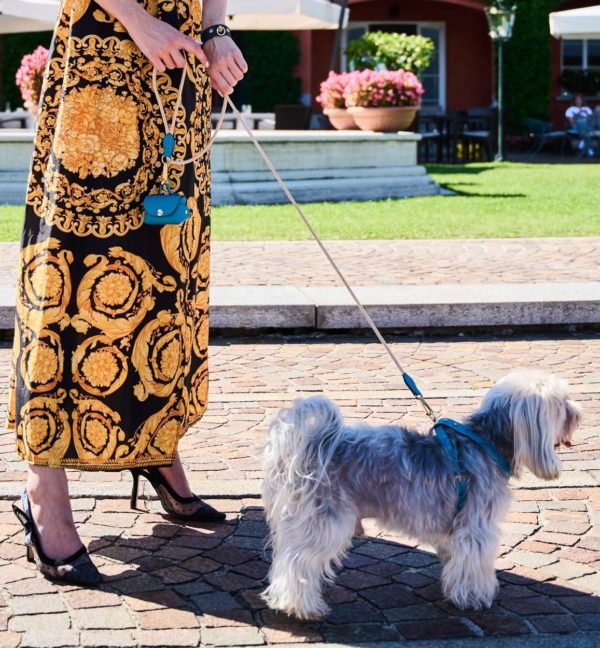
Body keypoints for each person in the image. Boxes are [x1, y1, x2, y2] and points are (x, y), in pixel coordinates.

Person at [8, 0, 247, 585]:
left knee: (169, 274)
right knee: (74, 271)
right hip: (103, 59)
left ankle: (156, 445)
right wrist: (138, 21)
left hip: (179, 64)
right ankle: (45, 489)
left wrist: (214, 29)